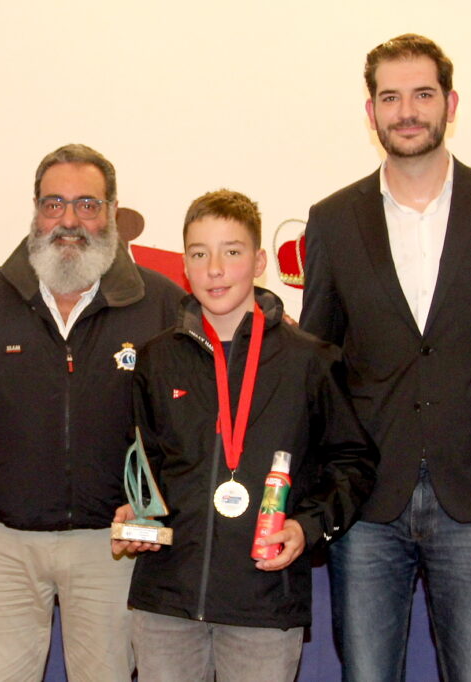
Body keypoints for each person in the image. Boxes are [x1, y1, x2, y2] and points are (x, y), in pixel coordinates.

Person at [300, 34, 471, 681]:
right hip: (364, 505)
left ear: (450, 103)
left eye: (422, 94)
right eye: (391, 97)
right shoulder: (331, 220)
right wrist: (319, 494)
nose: (407, 111)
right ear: (371, 112)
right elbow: (317, 370)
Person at [0, 143, 183, 681]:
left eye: (87, 205)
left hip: (114, 548)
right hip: (0, 545)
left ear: (112, 212)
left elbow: (191, 430)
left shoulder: (163, 307)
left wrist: (158, 510)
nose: (69, 220)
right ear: (35, 210)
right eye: (54, 204)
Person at [113, 189, 377, 682]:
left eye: (231, 252)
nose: (214, 268)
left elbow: (353, 463)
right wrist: (138, 510)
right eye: (199, 254)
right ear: (184, 266)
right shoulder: (156, 359)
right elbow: (142, 463)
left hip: (264, 605)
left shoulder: (310, 361)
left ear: (258, 262)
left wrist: (307, 527)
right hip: (166, 603)